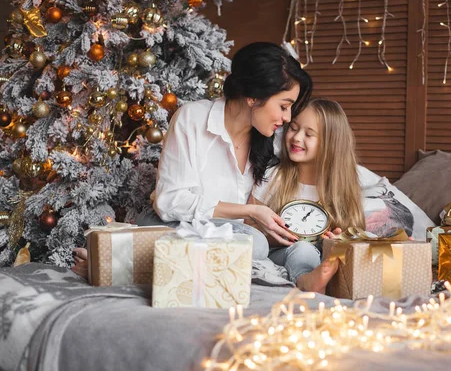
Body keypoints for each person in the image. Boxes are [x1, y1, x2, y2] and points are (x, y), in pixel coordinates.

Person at [71, 42, 312, 278]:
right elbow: (169, 202)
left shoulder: (272, 139)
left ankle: (120, 264)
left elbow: (320, 163)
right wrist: (251, 211)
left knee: (293, 249)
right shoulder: (193, 118)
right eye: (283, 106)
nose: (287, 117)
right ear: (252, 96)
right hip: (176, 224)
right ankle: (116, 261)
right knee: (254, 244)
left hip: (226, 238)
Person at [250, 98, 365, 294]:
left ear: (331, 144)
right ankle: (307, 281)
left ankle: (321, 274)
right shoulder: (275, 176)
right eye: (293, 128)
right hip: (280, 254)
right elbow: (248, 227)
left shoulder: (342, 187)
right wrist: (278, 237)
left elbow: (354, 230)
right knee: (302, 249)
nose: (296, 138)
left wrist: (337, 240)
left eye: (309, 134)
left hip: (326, 255)